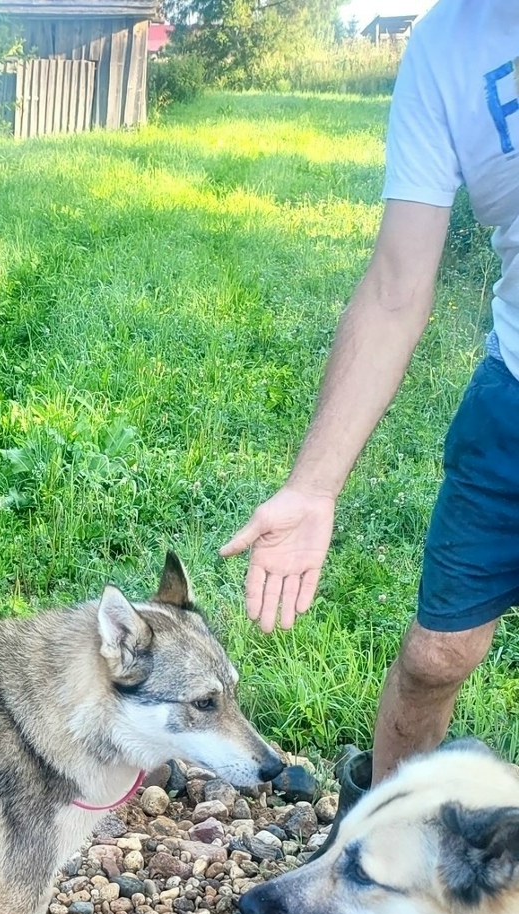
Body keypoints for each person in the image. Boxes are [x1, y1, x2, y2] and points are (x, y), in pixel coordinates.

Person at [220, 0, 519, 830]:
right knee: (434, 658)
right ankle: (385, 854)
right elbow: (396, 286)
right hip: (513, 398)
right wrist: (314, 486)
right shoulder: (446, 45)